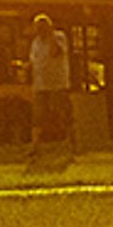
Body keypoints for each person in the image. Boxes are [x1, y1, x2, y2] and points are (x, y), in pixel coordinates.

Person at [27, 14, 72, 146]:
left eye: (42, 28)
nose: (39, 31)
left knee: (63, 112)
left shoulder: (59, 37)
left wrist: (51, 35)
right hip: (40, 84)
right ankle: (35, 144)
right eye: (37, 28)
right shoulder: (35, 42)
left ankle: (69, 140)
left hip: (58, 83)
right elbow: (33, 60)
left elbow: (55, 53)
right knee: (38, 115)